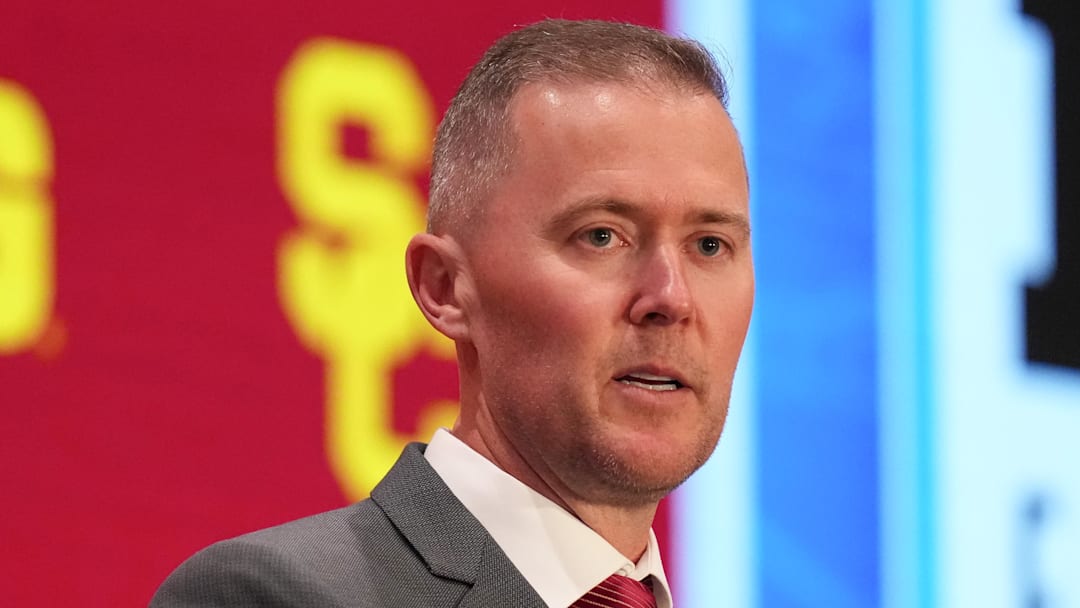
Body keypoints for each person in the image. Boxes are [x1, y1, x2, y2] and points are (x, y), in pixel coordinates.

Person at [150, 18, 752, 608]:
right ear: (445, 287)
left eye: (709, 245)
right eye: (601, 236)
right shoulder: (274, 595)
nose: (672, 297)